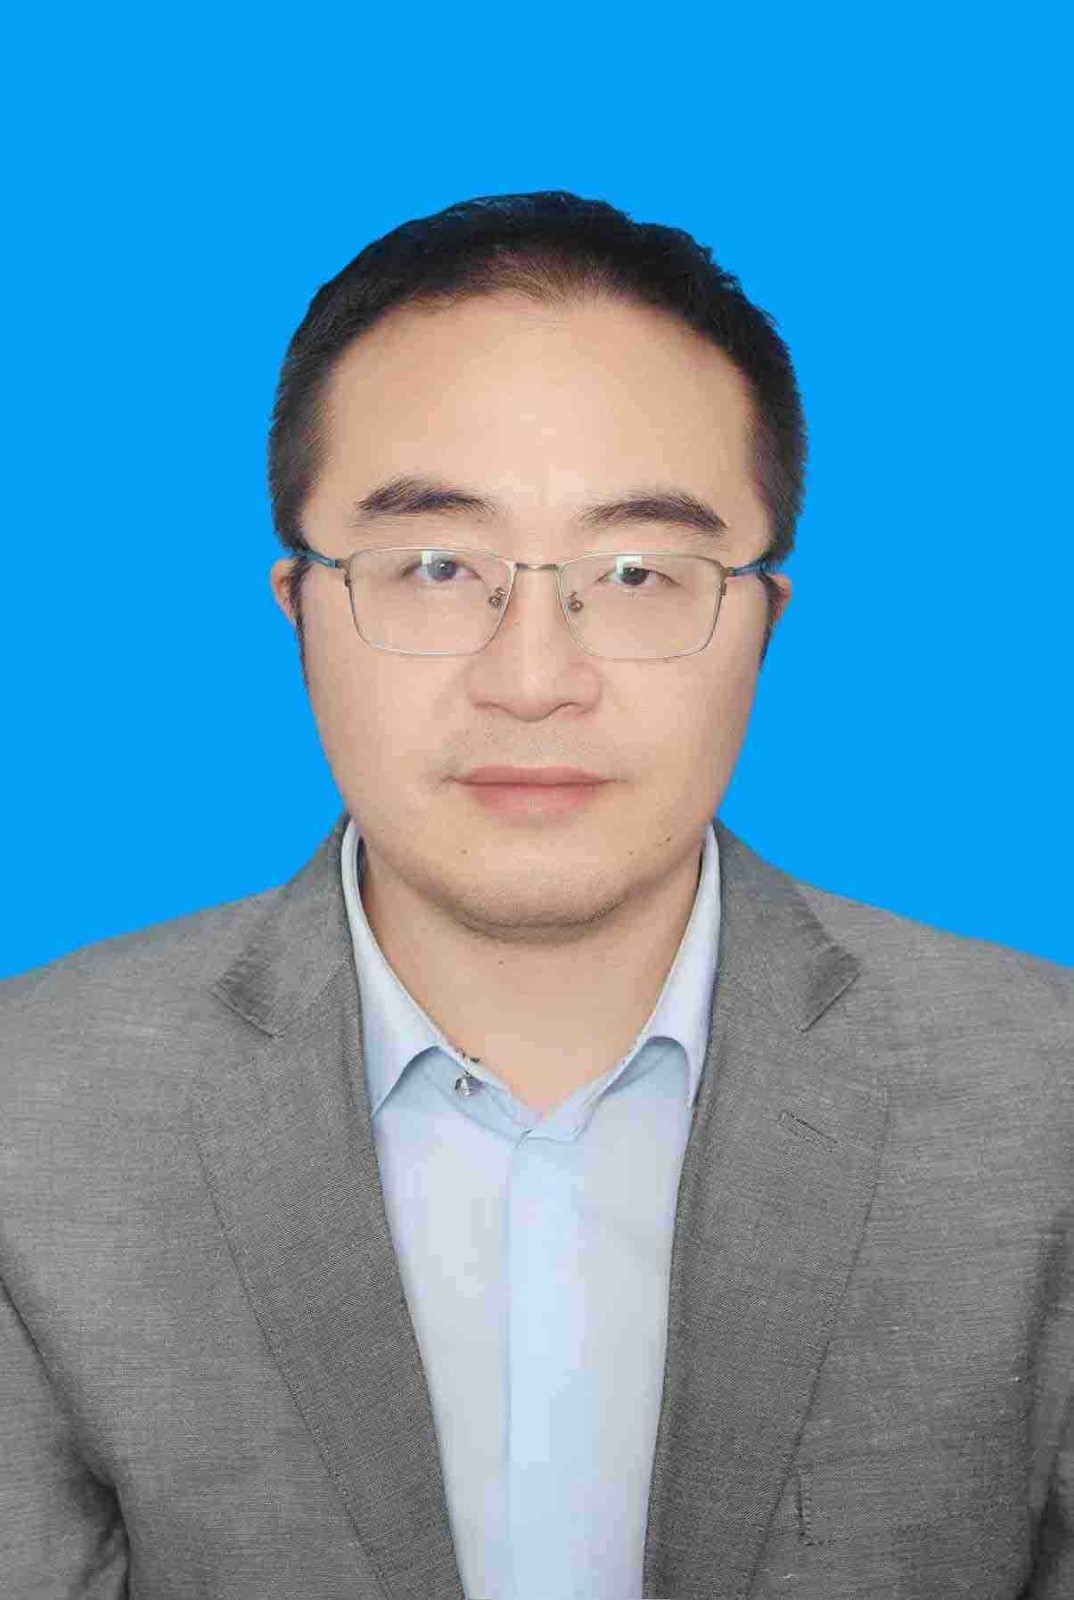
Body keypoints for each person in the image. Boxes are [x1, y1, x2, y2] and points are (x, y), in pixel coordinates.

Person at [0, 190, 1069, 1600]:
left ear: (762, 620)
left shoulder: (1044, 1096)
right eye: (438, 566)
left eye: (636, 573)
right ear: (299, 608)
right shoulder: (31, 1111)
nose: (533, 678)